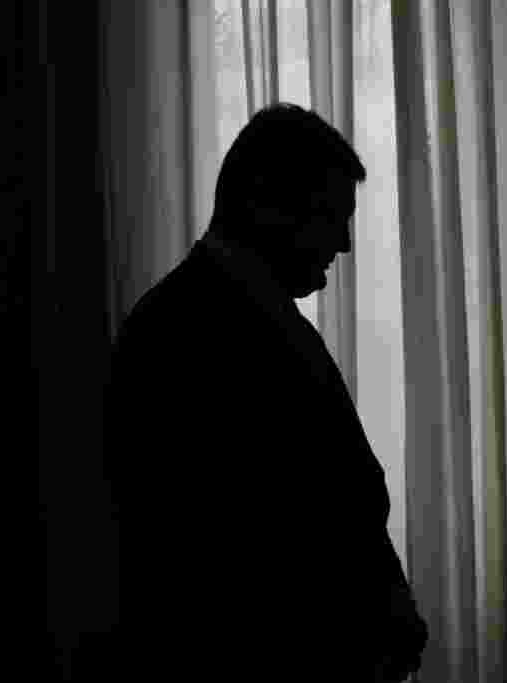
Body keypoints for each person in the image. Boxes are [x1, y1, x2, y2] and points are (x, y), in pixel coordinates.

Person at [101, 103, 427, 681]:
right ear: (263, 203)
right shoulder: (178, 332)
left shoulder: (255, 312)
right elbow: (229, 543)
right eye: (331, 217)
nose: (346, 245)